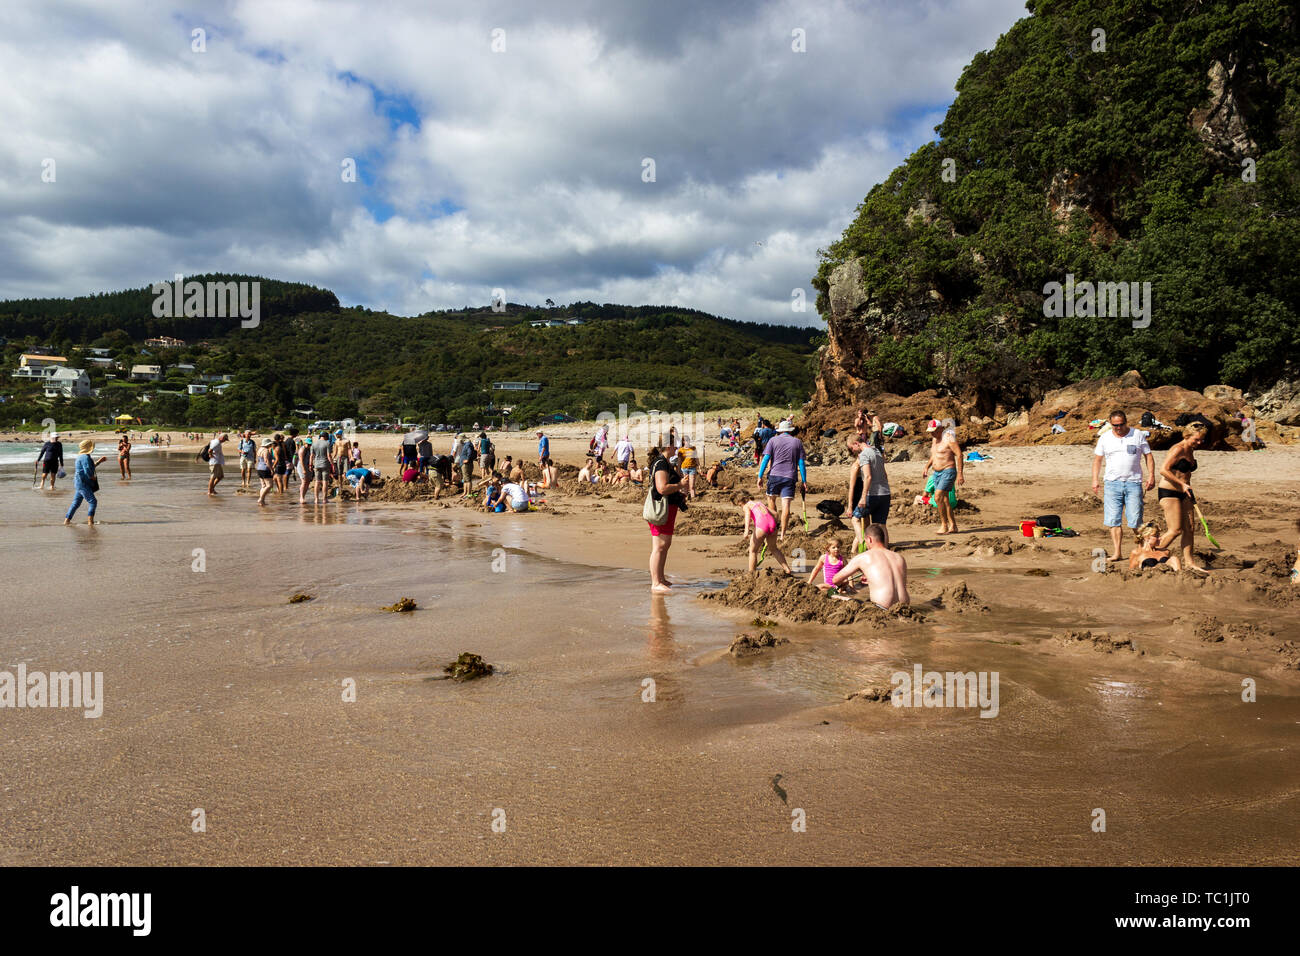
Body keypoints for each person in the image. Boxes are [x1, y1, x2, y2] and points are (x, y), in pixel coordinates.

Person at [1091, 409, 1155, 562]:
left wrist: (1151, 475)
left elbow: (1148, 455)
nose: (1118, 428)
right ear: (1110, 424)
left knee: (1135, 520)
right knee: (1113, 520)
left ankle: (1143, 549)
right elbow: (1097, 460)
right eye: (1115, 425)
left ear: (1126, 422)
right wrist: (1095, 479)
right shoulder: (1105, 438)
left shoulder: (1137, 435)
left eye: (1121, 424)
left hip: (1133, 483)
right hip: (1112, 483)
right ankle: (1117, 552)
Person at [1155, 421, 1209, 574]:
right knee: (1175, 529)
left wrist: (1187, 487)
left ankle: (1189, 563)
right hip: (1169, 491)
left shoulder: (1190, 449)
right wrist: (1182, 484)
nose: (1199, 442)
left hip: (1185, 492)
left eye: (1201, 440)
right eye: (1196, 439)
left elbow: (1185, 474)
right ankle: (1151, 553)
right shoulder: (1177, 449)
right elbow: (1163, 470)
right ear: (1187, 435)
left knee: (1190, 528)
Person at [831, 523, 909, 609]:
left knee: (834, 596)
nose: (866, 545)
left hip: (882, 606)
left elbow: (835, 579)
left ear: (870, 539)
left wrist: (843, 584)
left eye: (865, 541)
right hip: (904, 607)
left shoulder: (864, 557)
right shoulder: (899, 557)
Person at [757, 420, 806, 541]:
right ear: (790, 430)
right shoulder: (797, 442)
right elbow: (801, 463)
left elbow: (765, 459)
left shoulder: (773, 440)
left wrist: (760, 476)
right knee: (786, 506)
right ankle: (783, 535)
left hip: (774, 475)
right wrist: (804, 481)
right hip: (790, 477)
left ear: (779, 430)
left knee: (771, 500)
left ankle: (773, 530)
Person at [646, 446, 686, 593]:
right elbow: (662, 488)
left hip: (668, 509)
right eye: (676, 442)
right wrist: (679, 485)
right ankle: (655, 583)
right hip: (661, 509)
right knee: (659, 546)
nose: (678, 446)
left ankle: (660, 579)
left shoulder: (666, 462)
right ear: (668, 445)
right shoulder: (661, 463)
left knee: (665, 545)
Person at [920, 419, 963, 534]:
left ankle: (944, 525)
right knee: (945, 500)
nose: (932, 433)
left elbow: (959, 454)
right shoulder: (934, 440)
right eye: (930, 431)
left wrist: (960, 474)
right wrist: (926, 467)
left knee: (937, 497)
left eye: (934, 431)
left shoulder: (948, 438)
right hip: (936, 473)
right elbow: (934, 455)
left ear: (941, 429)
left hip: (948, 471)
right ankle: (953, 526)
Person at [847, 435, 891, 547]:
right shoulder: (876, 451)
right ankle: (884, 551)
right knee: (881, 526)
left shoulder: (864, 455)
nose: (853, 451)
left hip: (872, 494)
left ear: (857, 443)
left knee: (855, 519)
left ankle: (864, 544)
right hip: (885, 493)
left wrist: (863, 497)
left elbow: (868, 477)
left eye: (852, 448)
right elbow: (885, 474)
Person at [737, 491, 791, 574]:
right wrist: (774, 527)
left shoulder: (746, 505)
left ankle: (751, 573)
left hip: (761, 526)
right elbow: (776, 514)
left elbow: (747, 515)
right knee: (774, 549)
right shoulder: (759, 503)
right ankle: (787, 569)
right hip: (772, 525)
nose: (741, 507)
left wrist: (746, 530)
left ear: (741, 501)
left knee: (753, 550)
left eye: (739, 505)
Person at [63, 440, 107, 526]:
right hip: (83, 483)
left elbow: (89, 467)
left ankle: (66, 520)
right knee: (93, 501)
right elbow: (87, 470)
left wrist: (99, 462)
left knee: (76, 503)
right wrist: (92, 477)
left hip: (79, 482)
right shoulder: (85, 457)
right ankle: (90, 522)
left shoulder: (81, 456)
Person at [310, 429, 332, 504]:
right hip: (325, 464)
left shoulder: (314, 444)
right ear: (326, 437)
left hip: (316, 464)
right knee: (325, 482)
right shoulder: (327, 443)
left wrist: (310, 465)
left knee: (317, 482)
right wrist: (332, 464)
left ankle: (316, 499)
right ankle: (324, 499)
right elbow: (329, 456)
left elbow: (311, 456)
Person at [255, 437, 275, 506]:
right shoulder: (266, 450)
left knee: (263, 486)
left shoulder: (259, 450)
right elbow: (266, 461)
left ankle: (262, 501)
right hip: (265, 469)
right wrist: (271, 469)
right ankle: (261, 498)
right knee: (269, 485)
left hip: (259, 468)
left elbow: (259, 460)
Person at [297, 436, 314, 504]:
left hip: (307, 466)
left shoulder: (309, 449)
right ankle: (301, 497)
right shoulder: (302, 449)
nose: (309, 445)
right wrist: (304, 469)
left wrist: (310, 466)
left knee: (307, 482)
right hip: (302, 466)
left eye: (310, 444)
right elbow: (301, 460)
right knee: (304, 481)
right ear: (305, 443)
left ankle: (303, 496)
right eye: (308, 444)